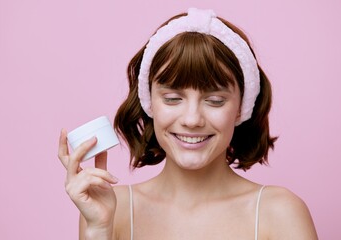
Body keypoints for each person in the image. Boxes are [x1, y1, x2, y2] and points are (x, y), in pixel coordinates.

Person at [58, 8, 318, 240]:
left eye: (215, 100)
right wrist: (98, 232)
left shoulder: (280, 213)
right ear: (150, 103)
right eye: (172, 98)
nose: (192, 119)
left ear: (241, 108)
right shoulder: (112, 209)